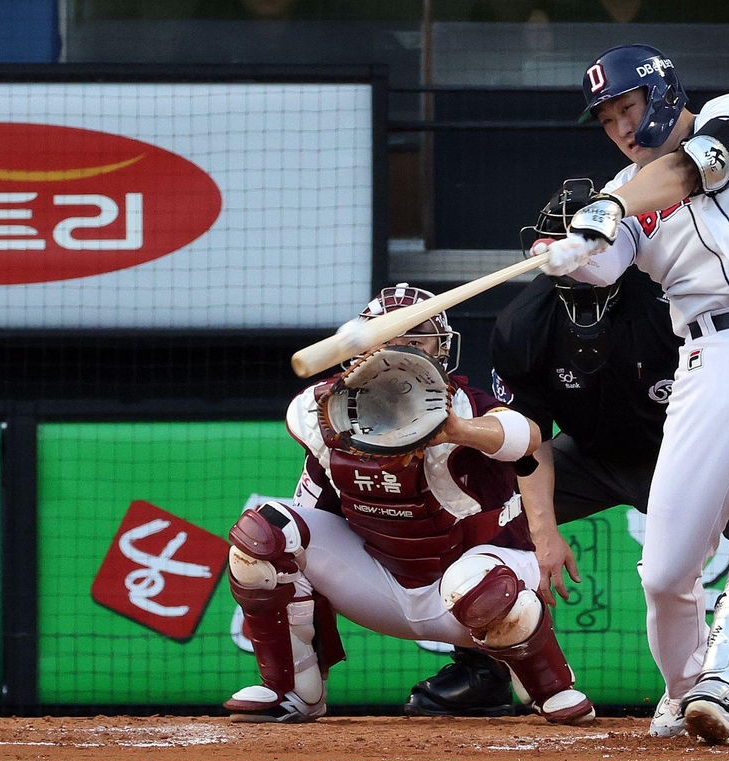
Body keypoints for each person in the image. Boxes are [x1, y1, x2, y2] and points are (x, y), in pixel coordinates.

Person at [406, 180, 729, 725]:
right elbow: (528, 442)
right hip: (590, 457)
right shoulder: (522, 325)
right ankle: (480, 670)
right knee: (487, 512)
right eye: (560, 241)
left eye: (583, 241)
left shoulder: (670, 301)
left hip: (692, 450)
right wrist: (543, 534)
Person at [538, 45, 729, 745]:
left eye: (630, 106)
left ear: (665, 93)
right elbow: (604, 262)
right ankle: (685, 692)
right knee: (667, 571)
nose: (621, 125)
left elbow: (693, 170)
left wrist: (609, 205)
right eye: (608, 117)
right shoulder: (622, 195)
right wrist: (565, 251)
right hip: (708, 362)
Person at [223, 283, 595, 726]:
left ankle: (550, 686)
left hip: (478, 590)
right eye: (390, 333)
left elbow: (527, 438)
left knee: (475, 584)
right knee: (263, 534)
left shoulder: (467, 409)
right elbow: (308, 525)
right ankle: (293, 690)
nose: (404, 344)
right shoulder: (321, 412)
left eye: (418, 335)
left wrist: (456, 430)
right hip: (382, 584)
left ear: (441, 347)